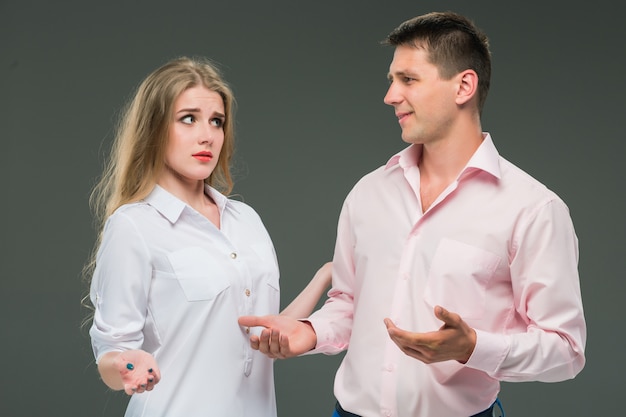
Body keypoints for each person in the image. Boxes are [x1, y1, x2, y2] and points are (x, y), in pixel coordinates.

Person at [239, 11, 587, 417]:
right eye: (391, 80)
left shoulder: (532, 209)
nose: (390, 95)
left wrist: (474, 347)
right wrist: (311, 332)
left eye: (408, 79)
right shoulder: (367, 194)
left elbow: (566, 349)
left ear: (463, 86)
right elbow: (349, 303)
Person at [84, 56, 331, 417]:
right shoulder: (133, 226)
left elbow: (266, 338)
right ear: (154, 128)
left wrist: (327, 273)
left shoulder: (246, 220)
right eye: (188, 119)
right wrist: (128, 363)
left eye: (217, 122)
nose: (207, 135)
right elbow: (111, 352)